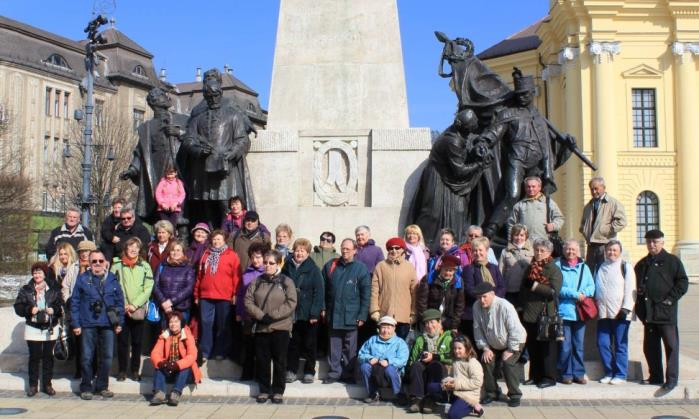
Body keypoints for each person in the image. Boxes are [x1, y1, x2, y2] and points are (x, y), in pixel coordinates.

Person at [481, 69, 575, 239]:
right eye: (519, 94)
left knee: (538, 196)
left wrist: (567, 144)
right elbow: (494, 132)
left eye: (525, 94)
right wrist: (484, 142)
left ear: (532, 93)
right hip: (516, 158)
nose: (522, 97)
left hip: (537, 162)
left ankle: (542, 233)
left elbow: (549, 144)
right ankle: (490, 230)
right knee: (513, 194)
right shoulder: (509, 113)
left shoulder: (540, 119)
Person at [179, 68, 257, 228]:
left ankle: (228, 236)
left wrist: (231, 154)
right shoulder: (197, 117)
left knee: (225, 205)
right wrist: (198, 150)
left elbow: (242, 140)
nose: (214, 98)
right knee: (205, 207)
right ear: (205, 96)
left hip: (224, 169)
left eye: (216, 94)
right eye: (210, 95)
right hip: (202, 169)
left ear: (221, 93)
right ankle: (210, 237)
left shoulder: (232, 114)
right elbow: (188, 139)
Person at [119, 87, 187, 225]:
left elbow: (194, 138)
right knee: (158, 209)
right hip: (155, 169)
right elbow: (139, 152)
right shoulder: (147, 127)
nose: (167, 97)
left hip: (178, 167)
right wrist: (132, 170)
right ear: (155, 102)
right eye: (163, 95)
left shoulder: (182, 120)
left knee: (181, 210)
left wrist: (179, 133)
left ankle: (182, 239)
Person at [634, 229, 688, 390]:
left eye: (655, 242)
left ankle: (671, 379)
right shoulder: (642, 263)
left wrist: (670, 300)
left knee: (671, 346)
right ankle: (655, 376)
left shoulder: (672, 261)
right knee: (650, 347)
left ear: (662, 242)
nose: (652, 245)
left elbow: (682, 283)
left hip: (665, 313)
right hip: (648, 313)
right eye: (649, 242)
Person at [245, 250, 297, 404]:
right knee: (262, 360)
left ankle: (278, 390)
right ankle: (264, 389)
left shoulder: (286, 281)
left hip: (280, 327)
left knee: (280, 360)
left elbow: (291, 302)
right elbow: (248, 301)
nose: (267, 266)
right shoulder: (257, 281)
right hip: (262, 327)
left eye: (271, 263)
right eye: (265, 263)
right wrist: (261, 316)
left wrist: (273, 316)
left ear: (278, 264)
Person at [71, 250, 125, 400]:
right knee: (87, 357)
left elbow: (120, 302)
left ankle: (102, 386)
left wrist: (120, 321)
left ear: (106, 262)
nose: (97, 264)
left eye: (100, 261)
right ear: (89, 263)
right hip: (87, 323)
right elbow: (74, 302)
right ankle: (86, 386)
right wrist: (75, 323)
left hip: (108, 324)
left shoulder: (112, 279)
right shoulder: (82, 279)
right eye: (94, 261)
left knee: (107, 357)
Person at [322, 238, 371, 384]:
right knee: (334, 346)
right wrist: (323, 307)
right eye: (343, 248)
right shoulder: (331, 265)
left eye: (348, 249)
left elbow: (366, 294)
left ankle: (349, 374)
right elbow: (322, 288)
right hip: (333, 313)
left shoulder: (361, 268)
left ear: (355, 251)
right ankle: (334, 373)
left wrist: (362, 315)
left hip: (352, 314)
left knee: (350, 348)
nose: (345, 251)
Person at [472, 282, 526, 407]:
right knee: (486, 360)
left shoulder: (505, 306)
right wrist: (485, 348)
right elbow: (477, 330)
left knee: (508, 363)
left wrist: (511, 350)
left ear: (492, 294)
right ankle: (492, 393)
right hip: (493, 343)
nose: (482, 300)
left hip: (515, 341)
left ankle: (514, 394)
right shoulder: (476, 306)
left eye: (484, 296)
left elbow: (515, 330)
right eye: (479, 297)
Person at [14, 262, 63, 397]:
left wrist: (54, 309)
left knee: (48, 357)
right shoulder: (26, 289)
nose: (37, 275)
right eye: (35, 273)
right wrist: (29, 309)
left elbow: (61, 306)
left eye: (39, 272)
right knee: (34, 357)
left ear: (45, 274)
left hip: (50, 328)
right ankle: (33, 385)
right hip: (33, 327)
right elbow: (18, 307)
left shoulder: (54, 288)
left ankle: (47, 384)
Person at [520, 238, 562, 389]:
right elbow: (523, 287)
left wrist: (535, 285)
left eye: (542, 251)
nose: (538, 253)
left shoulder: (554, 269)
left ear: (549, 252)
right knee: (533, 346)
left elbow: (553, 292)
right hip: (530, 312)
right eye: (537, 250)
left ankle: (549, 377)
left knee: (547, 348)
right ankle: (535, 376)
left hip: (546, 314)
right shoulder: (531, 267)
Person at [111, 238, 154, 382]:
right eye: (130, 247)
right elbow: (112, 285)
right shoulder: (117, 265)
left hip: (138, 308)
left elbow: (148, 287)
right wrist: (123, 304)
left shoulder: (145, 266)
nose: (133, 250)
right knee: (122, 342)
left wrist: (135, 304)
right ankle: (122, 370)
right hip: (121, 308)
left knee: (137, 342)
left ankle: (135, 370)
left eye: (136, 247)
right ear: (126, 248)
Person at [194, 230, 241, 362]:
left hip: (224, 296)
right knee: (206, 323)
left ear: (224, 240)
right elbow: (199, 275)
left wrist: (235, 294)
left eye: (219, 239)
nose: (216, 242)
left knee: (222, 325)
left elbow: (236, 277)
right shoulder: (206, 254)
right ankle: (205, 351)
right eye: (214, 239)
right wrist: (196, 294)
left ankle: (221, 351)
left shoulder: (232, 255)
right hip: (206, 295)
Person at [282, 238, 324, 384]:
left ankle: (309, 371)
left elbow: (319, 292)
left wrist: (314, 312)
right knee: (292, 343)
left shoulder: (313, 269)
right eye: (297, 250)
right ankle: (291, 370)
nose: (299, 253)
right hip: (291, 312)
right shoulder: (287, 267)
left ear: (308, 253)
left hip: (308, 313)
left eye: (303, 251)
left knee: (309, 344)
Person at [595, 239, 636, 385]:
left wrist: (626, 308)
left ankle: (620, 374)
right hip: (603, 313)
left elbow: (631, 289)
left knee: (620, 344)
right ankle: (609, 372)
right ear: (605, 251)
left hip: (620, 313)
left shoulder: (625, 267)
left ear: (619, 252)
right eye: (609, 250)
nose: (611, 252)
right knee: (603, 343)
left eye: (614, 250)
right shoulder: (600, 266)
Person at [555, 239, 594, 385]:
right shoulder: (557, 265)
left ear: (578, 251)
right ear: (564, 250)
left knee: (578, 346)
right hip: (564, 312)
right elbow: (557, 287)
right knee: (565, 346)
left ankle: (579, 373)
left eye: (573, 249)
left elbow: (592, 286)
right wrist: (575, 294)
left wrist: (584, 293)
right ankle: (566, 374)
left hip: (580, 312)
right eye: (568, 249)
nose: (570, 252)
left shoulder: (584, 267)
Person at [404, 309, 453, 414]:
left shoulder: (449, 337)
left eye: (432, 322)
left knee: (435, 365)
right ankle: (417, 399)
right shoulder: (420, 339)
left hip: (441, 371)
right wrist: (420, 359)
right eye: (426, 323)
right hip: (424, 370)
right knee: (416, 365)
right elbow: (412, 359)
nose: (429, 326)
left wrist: (435, 357)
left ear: (439, 322)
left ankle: (431, 400)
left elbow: (453, 356)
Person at [150, 311, 201, 406]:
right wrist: (162, 363)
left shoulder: (188, 335)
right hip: (168, 369)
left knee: (185, 367)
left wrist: (177, 365)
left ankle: (176, 393)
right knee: (158, 366)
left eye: (176, 321)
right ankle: (159, 394)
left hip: (184, 373)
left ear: (181, 323)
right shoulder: (164, 335)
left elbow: (192, 356)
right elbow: (155, 353)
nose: (173, 324)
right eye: (171, 322)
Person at [370, 237, 417, 340]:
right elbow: (374, 290)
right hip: (385, 314)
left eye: (397, 248)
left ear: (403, 250)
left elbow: (414, 292)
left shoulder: (409, 267)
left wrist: (413, 313)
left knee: (401, 346)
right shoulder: (381, 266)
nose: (394, 251)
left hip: (403, 316)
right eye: (391, 248)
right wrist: (374, 310)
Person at [236, 242, 270, 381]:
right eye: (253, 257)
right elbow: (240, 294)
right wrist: (239, 312)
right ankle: (247, 373)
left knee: (261, 347)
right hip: (248, 315)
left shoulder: (268, 273)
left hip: (262, 315)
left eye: (258, 257)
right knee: (248, 346)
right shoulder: (247, 273)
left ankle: (261, 375)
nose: (255, 260)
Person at [462, 237, 506, 343]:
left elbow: (502, 286)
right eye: (475, 251)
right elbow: (469, 289)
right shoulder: (469, 269)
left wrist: (493, 299)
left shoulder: (494, 268)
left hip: (494, 309)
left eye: (480, 250)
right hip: (476, 311)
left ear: (486, 251)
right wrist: (485, 298)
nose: (478, 253)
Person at [358, 316, 409, 403]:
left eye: (389, 328)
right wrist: (369, 359)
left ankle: (399, 393)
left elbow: (403, 359)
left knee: (390, 369)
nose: (386, 331)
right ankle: (373, 393)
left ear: (394, 328)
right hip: (375, 370)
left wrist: (389, 361)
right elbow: (361, 354)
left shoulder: (400, 342)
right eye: (383, 327)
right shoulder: (372, 340)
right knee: (364, 367)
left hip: (393, 372)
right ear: (379, 328)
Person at [579, 177, 627, 270]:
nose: (593, 191)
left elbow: (622, 221)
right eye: (591, 189)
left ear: (603, 187)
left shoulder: (613, 203)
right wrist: (584, 231)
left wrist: (606, 230)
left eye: (596, 188)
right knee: (590, 273)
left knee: (605, 272)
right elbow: (583, 223)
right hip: (591, 246)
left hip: (605, 245)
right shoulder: (588, 206)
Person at [66, 240, 97, 379]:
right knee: (78, 342)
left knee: (93, 343)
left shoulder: (97, 266)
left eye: (87, 251)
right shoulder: (74, 267)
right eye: (82, 251)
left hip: (92, 311)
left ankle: (93, 370)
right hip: (77, 310)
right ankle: (79, 370)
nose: (84, 254)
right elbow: (65, 285)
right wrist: (68, 299)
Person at [415, 255, 465, 333]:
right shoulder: (429, 278)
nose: (447, 273)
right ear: (441, 268)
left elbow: (459, 306)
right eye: (446, 270)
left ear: (454, 271)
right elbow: (422, 302)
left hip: (448, 321)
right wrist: (426, 320)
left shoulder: (458, 281)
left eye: (450, 270)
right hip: (430, 320)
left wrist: (454, 325)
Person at [506, 176, 564, 242]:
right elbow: (511, 225)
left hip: (544, 244)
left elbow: (560, 218)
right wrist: (510, 242)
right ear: (525, 188)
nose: (531, 189)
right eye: (528, 187)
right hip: (525, 245)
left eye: (533, 186)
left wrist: (553, 226)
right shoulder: (519, 205)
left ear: (539, 187)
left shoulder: (548, 202)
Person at [152, 240, 195, 324]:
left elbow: (189, 288)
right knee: (164, 335)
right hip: (164, 308)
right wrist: (163, 301)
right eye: (173, 250)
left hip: (181, 308)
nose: (175, 253)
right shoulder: (161, 265)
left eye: (178, 250)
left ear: (183, 252)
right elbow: (155, 285)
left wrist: (171, 302)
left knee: (181, 334)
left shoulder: (188, 267)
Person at [442, 335, 485, 418]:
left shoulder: (473, 363)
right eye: (454, 348)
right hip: (456, 390)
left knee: (453, 415)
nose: (456, 351)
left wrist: (456, 384)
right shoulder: (455, 360)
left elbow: (477, 382)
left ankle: (472, 406)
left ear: (467, 348)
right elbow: (452, 376)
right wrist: (447, 382)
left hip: (468, 395)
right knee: (432, 387)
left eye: (459, 348)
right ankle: (454, 403)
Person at [498, 224, 534, 308]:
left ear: (526, 236)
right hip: (511, 290)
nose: (519, 238)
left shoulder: (532, 250)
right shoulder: (505, 251)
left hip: (527, 290)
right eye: (516, 235)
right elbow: (500, 271)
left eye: (522, 235)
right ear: (512, 236)